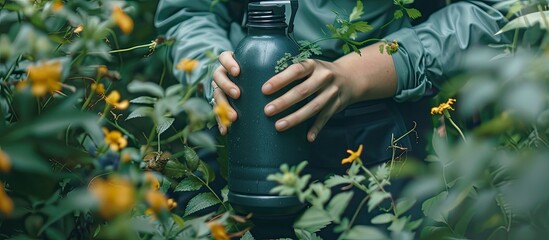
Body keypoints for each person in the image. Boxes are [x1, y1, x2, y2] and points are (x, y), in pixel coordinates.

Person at [155, 0, 510, 236]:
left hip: (387, 142)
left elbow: (500, 11)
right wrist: (211, 69)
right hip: (237, 137)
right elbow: (189, 10)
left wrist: (367, 72)